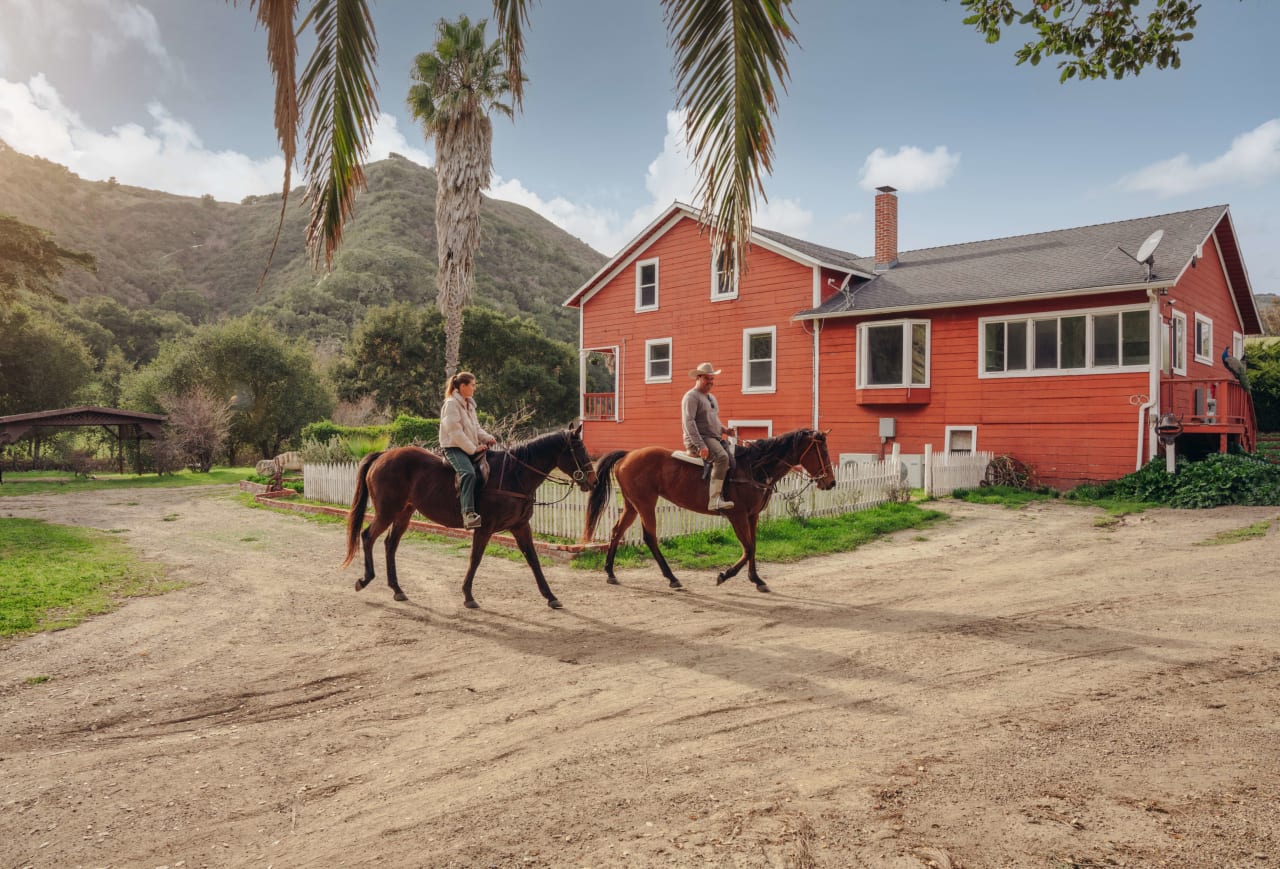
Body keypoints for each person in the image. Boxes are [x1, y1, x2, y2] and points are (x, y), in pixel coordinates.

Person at [439, 371, 496, 529]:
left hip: (468, 448)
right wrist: (473, 449)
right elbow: (454, 432)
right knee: (468, 472)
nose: (474, 388)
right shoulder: (451, 404)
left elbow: (476, 428)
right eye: (472, 385)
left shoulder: (469, 405)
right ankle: (468, 514)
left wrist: (487, 438)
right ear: (462, 386)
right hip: (453, 448)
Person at [682, 362, 735, 511]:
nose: (711, 382)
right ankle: (714, 500)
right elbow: (689, 422)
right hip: (699, 439)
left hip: (712, 437)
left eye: (712, 378)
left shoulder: (711, 397)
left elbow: (713, 420)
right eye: (707, 378)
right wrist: (701, 446)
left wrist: (725, 430)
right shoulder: (691, 396)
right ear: (698, 378)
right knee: (722, 457)